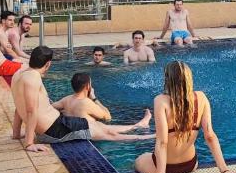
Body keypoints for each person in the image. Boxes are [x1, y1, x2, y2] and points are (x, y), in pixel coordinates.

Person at [11, 46, 155, 150]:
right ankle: (150, 137)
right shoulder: (33, 78)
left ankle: (139, 126)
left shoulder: (18, 74)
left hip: (57, 124)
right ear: (48, 64)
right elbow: (30, 111)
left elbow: (19, 106)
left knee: (99, 126)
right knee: (107, 134)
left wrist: (16, 134)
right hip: (54, 131)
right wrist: (29, 143)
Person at [134, 61, 236, 173]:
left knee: (139, 159)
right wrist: (224, 170)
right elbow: (210, 136)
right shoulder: (201, 97)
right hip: (190, 165)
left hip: (165, 167)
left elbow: (162, 142)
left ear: (168, 79)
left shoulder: (160, 100)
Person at [52, 73, 152, 127]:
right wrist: (94, 98)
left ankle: (141, 124)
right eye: (90, 84)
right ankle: (139, 125)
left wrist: (63, 111)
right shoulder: (86, 103)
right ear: (87, 87)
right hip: (91, 136)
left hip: (73, 132)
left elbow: (51, 106)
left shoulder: (66, 100)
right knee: (115, 131)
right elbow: (108, 117)